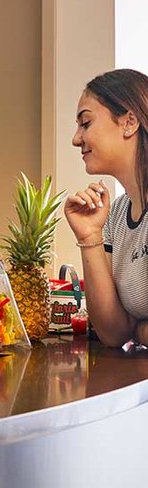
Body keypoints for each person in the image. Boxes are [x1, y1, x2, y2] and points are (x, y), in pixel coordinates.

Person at [65, 68, 148, 348]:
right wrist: (89, 237)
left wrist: (137, 331)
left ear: (129, 122)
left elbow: (127, 332)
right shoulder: (116, 215)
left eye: (85, 123)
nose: (76, 139)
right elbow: (113, 333)